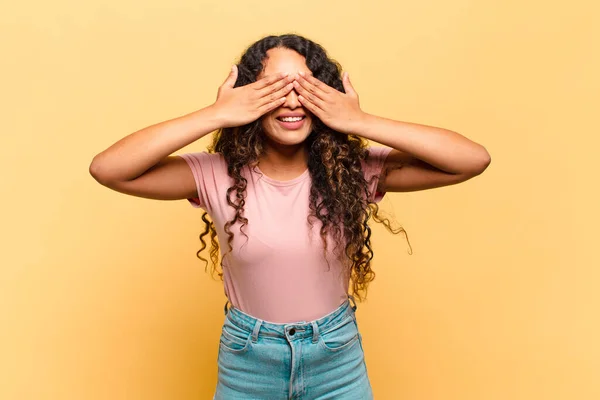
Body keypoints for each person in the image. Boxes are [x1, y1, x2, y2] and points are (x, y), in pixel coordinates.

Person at [90, 33, 490, 399]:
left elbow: (472, 160)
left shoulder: (352, 171)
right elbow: (109, 169)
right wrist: (216, 113)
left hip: (336, 361)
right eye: (273, 89)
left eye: (306, 88)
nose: (292, 101)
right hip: (248, 363)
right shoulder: (215, 173)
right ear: (249, 97)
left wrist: (359, 121)